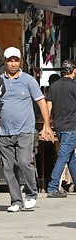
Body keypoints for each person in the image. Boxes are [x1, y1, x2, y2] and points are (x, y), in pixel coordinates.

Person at [0, 47, 53, 212]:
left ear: (20, 61)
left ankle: (31, 194)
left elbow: (41, 102)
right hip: (3, 132)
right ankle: (16, 201)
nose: (13, 64)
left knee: (24, 162)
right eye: (10, 60)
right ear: (5, 61)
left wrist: (46, 125)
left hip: (24, 131)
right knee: (8, 168)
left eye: (16, 60)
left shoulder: (28, 80)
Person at [44, 59, 76, 198]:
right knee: (64, 156)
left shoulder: (53, 87)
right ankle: (52, 187)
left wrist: (47, 125)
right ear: (73, 70)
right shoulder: (74, 87)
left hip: (58, 127)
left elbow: (48, 107)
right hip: (71, 126)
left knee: (70, 158)